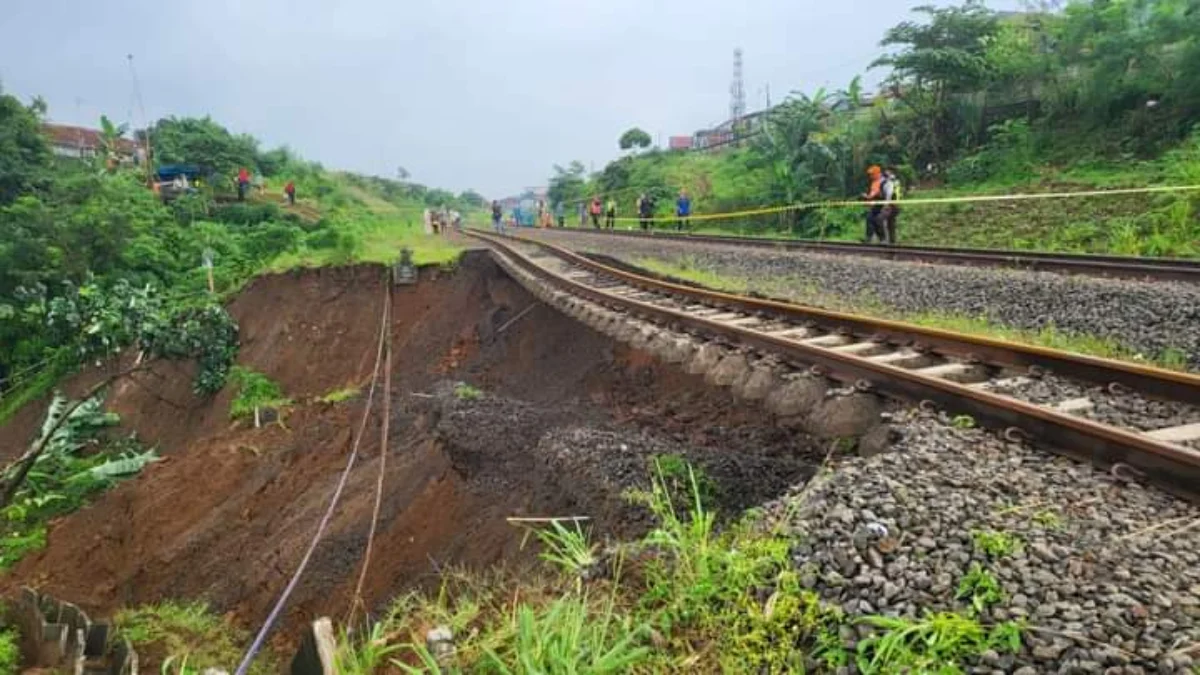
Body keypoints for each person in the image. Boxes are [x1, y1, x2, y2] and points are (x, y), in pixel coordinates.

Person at [861, 165, 886, 244]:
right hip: (875, 205)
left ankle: (883, 239)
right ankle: (869, 238)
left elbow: (885, 194)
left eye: (872, 174)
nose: (871, 176)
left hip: (883, 205)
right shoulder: (873, 182)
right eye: (870, 174)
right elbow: (872, 194)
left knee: (878, 220)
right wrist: (867, 197)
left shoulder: (884, 182)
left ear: (878, 173)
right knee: (869, 219)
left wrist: (876, 196)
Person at [881, 168, 901, 245]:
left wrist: (886, 204)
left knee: (879, 219)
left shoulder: (891, 181)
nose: (886, 172)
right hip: (895, 205)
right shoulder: (894, 181)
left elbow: (889, 194)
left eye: (888, 171)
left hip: (891, 205)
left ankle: (884, 240)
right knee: (891, 225)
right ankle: (892, 244)